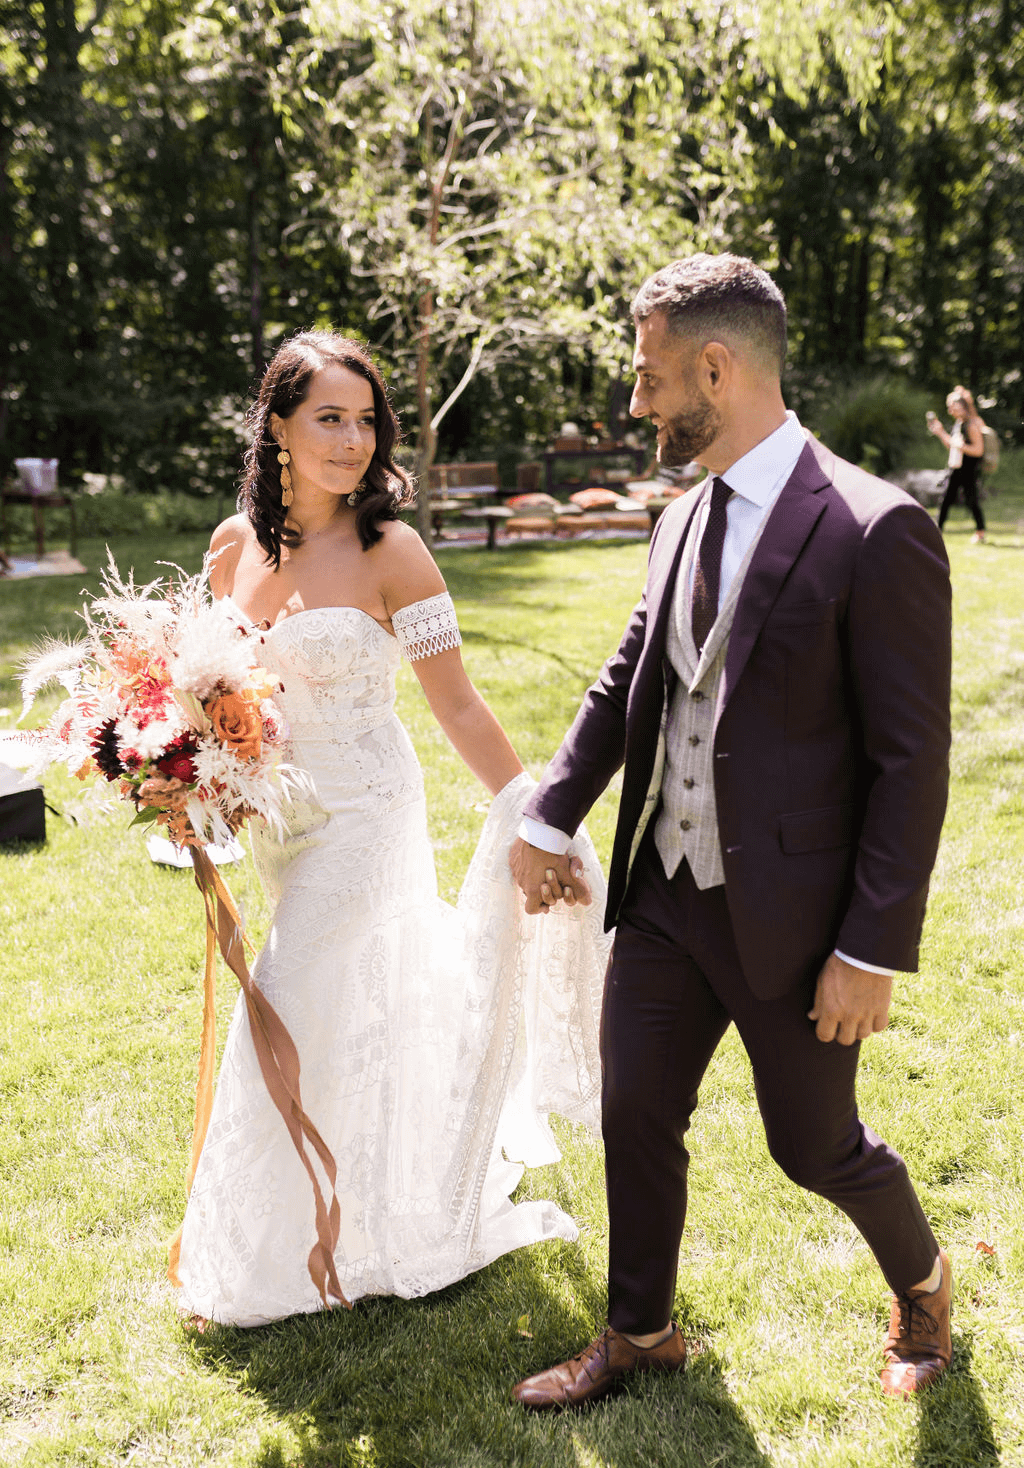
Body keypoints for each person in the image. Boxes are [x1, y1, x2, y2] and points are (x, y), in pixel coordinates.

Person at [509, 254, 953, 1408]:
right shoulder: (677, 518)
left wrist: (870, 950)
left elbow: (912, 764)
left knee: (814, 1148)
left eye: (652, 379)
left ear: (717, 366)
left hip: (798, 922)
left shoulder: (874, 527)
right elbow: (628, 681)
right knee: (635, 1110)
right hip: (665, 891)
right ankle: (641, 1331)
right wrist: (550, 811)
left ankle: (924, 1281)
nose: (639, 403)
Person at [174, 331, 607, 1326]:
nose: (353, 439)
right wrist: (186, 769)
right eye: (330, 416)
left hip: (367, 815)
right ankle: (341, 1209)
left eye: (367, 420)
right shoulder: (231, 547)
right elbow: (220, 690)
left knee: (294, 994)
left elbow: (455, 704)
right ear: (277, 425)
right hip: (282, 819)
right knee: (340, 1005)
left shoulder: (392, 550)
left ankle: (315, 1246)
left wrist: (535, 814)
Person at [930, 386, 986, 542]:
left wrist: (961, 446)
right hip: (955, 468)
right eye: (949, 407)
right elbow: (952, 446)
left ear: (962, 407)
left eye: (953, 406)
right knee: (946, 499)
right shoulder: (958, 423)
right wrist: (941, 433)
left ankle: (980, 533)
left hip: (968, 470)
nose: (950, 410)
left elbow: (978, 450)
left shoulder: (971, 425)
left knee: (971, 501)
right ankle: (936, 532)